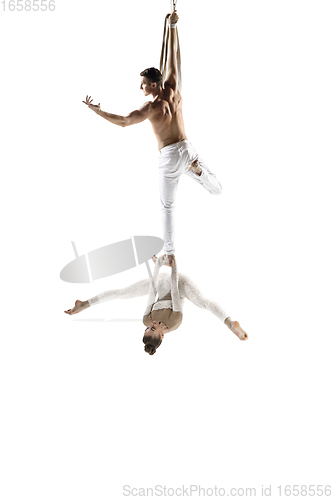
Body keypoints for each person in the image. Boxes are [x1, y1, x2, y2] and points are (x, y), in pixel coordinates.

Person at [82, 11, 222, 264]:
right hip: (188, 151)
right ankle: (199, 172)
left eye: (143, 84)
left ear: (153, 85)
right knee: (217, 190)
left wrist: (98, 111)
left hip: (169, 157)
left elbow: (124, 122)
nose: (140, 88)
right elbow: (173, 60)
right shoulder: (173, 90)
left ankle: (169, 254)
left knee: (167, 207)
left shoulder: (150, 108)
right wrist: (172, 28)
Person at [64, 255, 248, 356]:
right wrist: (174, 265)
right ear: (162, 335)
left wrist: (159, 266)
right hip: (179, 284)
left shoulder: (146, 319)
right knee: (201, 302)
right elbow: (176, 292)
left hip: (159, 283)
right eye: (153, 328)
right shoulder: (174, 322)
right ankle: (230, 323)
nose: (150, 325)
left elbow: (152, 291)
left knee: (122, 293)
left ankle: (84, 304)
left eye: (147, 328)